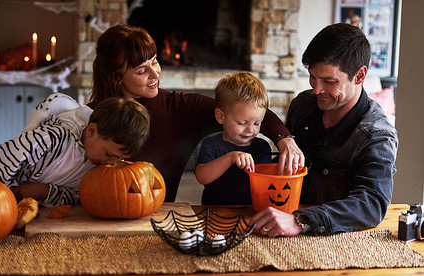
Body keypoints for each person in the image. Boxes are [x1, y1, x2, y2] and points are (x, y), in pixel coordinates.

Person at [87, 24, 304, 203]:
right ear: (116, 77)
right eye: (142, 70)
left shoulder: (181, 108)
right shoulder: (90, 118)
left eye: (154, 61)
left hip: (157, 216)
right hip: (97, 210)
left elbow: (251, 112)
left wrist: (285, 140)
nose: (155, 73)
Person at [250, 23, 398, 237]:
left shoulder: (377, 135)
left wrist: (300, 221)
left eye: (329, 81)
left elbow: (372, 205)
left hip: (338, 243)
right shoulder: (302, 105)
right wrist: (285, 139)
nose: (317, 89)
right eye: (312, 77)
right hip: (280, 229)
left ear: (359, 76)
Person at [0, 95, 150, 207]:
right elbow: (3, 155)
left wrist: (45, 191)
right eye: (108, 154)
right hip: (6, 202)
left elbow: (80, 197)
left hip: (44, 217)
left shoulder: (102, 163)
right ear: (91, 131)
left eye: (118, 159)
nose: (111, 163)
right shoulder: (53, 138)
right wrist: (2, 198)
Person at [195, 72, 273, 205]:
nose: (250, 129)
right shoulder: (212, 144)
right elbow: (202, 177)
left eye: (257, 123)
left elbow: (268, 183)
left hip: (252, 212)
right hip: (215, 212)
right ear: (220, 116)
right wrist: (230, 157)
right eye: (242, 123)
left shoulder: (262, 147)